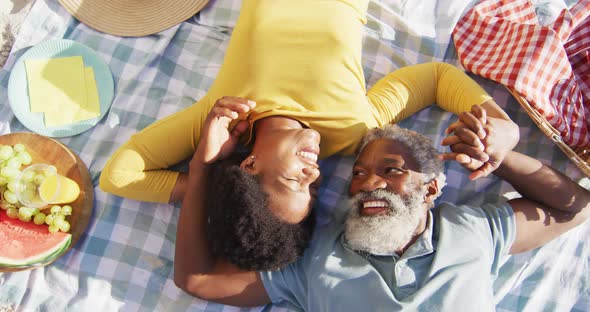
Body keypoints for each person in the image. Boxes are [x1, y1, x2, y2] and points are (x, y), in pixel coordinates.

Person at [99, 0, 507, 270]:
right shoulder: (353, 128)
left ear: (249, 165)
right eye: (312, 190)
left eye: (295, 179)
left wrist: (206, 167)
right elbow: (437, 79)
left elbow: (117, 176)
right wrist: (500, 125)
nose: (316, 174)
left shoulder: (225, 114)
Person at [171, 105, 590, 310]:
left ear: (431, 189)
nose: (369, 183)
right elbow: (198, 279)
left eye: (391, 171)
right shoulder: (317, 257)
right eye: (357, 173)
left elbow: (575, 207)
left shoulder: (472, 231)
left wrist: (503, 158)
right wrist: (202, 164)